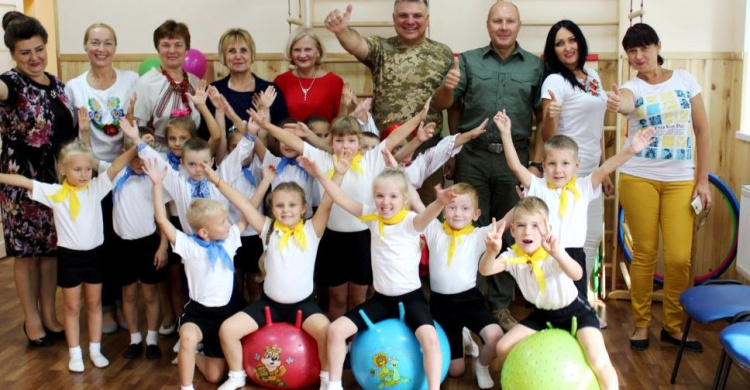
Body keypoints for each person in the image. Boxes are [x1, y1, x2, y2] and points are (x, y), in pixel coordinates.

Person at [253, 101, 430, 319]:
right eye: (339, 140)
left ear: (359, 142)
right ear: (332, 142)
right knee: (337, 300)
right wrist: (267, 126)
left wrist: (420, 116)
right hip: (332, 240)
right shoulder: (322, 158)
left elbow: (393, 138)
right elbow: (293, 141)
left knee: (358, 299)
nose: (345, 145)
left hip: (363, 239)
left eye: (351, 140)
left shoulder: (371, 159)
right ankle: (339, 343)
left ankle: (355, 345)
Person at [433, 0, 544, 330]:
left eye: (510, 21)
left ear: (518, 25)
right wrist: (454, 147)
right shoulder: (467, 60)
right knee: (466, 228)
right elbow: (447, 105)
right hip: (474, 157)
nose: (504, 26)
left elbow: (542, 119)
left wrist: (535, 163)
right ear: (488, 25)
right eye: (498, 21)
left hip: (515, 158)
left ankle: (498, 306)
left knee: (508, 231)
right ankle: (470, 306)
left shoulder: (535, 66)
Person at [301, 156, 456, 390]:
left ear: (404, 199)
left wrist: (439, 204)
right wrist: (320, 174)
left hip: (411, 300)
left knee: (431, 340)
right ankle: (333, 385)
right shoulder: (373, 217)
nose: (385, 202)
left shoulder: (410, 222)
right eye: (380, 196)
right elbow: (341, 198)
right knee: (335, 330)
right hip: (382, 301)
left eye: (393, 196)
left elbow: (426, 217)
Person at [607, 23, 712, 351]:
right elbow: (625, 103)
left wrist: (703, 180)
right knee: (645, 254)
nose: (638, 56)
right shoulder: (632, 87)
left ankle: (674, 326)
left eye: (644, 49)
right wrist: (616, 101)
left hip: (680, 180)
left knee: (680, 257)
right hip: (639, 177)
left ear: (657, 47)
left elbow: (703, 130)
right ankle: (641, 325)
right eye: (632, 52)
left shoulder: (685, 80)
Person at [0, 139, 136, 372]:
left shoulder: (96, 188)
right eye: (77, 169)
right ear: (62, 169)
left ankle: (95, 349)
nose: (84, 174)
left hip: (94, 257)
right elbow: (24, 182)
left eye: (87, 169)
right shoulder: (55, 193)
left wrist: (136, 147)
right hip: (69, 259)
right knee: (72, 308)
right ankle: (75, 353)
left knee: (94, 304)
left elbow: (115, 167)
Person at [209, 154, 344, 390]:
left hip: (303, 305)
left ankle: (328, 381)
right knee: (228, 329)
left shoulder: (312, 230)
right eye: (279, 205)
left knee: (328, 332)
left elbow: (328, 201)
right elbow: (242, 203)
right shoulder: (267, 229)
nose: (286, 210)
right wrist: (215, 179)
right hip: (269, 305)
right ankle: (237, 375)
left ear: (303, 208)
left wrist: (339, 173)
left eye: (292, 205)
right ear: (271, 208)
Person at [495, 109, 653, 295]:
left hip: (573, 255)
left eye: (565, 164)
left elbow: (605, 168)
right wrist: (505, 134)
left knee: (576, 303)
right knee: (547, 304)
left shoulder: (583, 186)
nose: (558, 170)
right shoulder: (537, 185)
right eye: (552, 164)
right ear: (544, 164)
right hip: (544, 253)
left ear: (576, 165)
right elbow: (515, 166)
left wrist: (630, 150)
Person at [479, 197, 618, 390]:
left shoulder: (551, 255)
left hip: (576, 313)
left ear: (547, 229)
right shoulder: (512, 255)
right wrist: (490, 252)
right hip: (543, 315)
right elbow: (486, 270)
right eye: (521, 225)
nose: (527, 231)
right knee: (503, 347)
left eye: (535, 225)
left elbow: (577, 273)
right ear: (512, 231)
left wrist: (558, 253)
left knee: (598, 361)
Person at [324, 0, 453, 203]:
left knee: (426, 209)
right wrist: (342, 31)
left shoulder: (443, 53)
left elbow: (446, 103)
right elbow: (357, 44)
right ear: (394, 19)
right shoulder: (381, 47)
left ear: (427, 19)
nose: (410, 21)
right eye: (403, 15)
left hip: (426, 148)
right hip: (382, 149)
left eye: (417, 16)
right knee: (382, 206)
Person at [0, 11, 74, 346]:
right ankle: (31, 321)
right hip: (21, 180)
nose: (35, 57)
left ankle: (49, 315)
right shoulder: (10, 84)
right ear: (13, 55)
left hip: (55, 178)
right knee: (25, 254)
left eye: (39, 49)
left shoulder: (57, 83)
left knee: (49, 251)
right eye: (25, 52)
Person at [65, 22, 140, 335]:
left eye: (108, 43)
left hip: (126, 173)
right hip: (93, 176)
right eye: (95, 42)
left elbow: (134, 129)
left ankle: (125, 303)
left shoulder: (131, 80)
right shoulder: (74, 87)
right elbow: (75, 140)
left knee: (124, 241)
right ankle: (107, 305)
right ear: (85, 46)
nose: (101, 49)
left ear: (115, 47)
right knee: (101, 241)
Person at [141, 161, 241, 388]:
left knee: (216, 376)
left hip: (224, 315)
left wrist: (261, 181)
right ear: (203, 231)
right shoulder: (188, 245)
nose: (228, 225)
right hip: (197, 312)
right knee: (186, 338)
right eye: (223, 222)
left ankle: (196, 357)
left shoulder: (231, 239)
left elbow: (248, 209)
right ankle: (186, 386)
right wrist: (157, 184)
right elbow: (162, 220)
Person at [540, 21, 612, 322]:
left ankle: (584, 302)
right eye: (559, 43)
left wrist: (605, 170)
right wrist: (552, 117)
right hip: (566, 173)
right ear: (552, 51)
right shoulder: (554, 81)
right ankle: (569, 305)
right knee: (569, 241)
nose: (567, 47)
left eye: (572, 40)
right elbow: (547, 136)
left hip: (592, 169)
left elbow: (597, 130)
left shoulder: (593, 77)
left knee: (592, 237)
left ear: (580, 43)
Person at [422, 183, 503, 389]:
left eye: (465, 209)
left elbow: (506, 221)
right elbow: (415, 203)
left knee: (495, 336)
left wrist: (530, 191)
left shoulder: (477, 236)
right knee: (455, 371)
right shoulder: (434, 230)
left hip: (469, 301)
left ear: (476, 214)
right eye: (452, 207)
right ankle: (464, 337)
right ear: (443, 210)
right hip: (442, 306)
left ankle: (482, 366)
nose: (458, 213)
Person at [95, 128, 166, 360]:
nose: (138, 161)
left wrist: (163, 246)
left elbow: (164, 216)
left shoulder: (155, 178)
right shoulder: (115, 173)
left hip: (148, 244)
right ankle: (135, 338)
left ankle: (152, 339)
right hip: (123, 245)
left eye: (142, 155)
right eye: (133, 155)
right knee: (128, 294)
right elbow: (91, 158)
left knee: (150, 293)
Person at [134, 20, 201, 150]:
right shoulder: (147, 83)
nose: (172, 50)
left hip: (190, 158)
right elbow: (137, 128)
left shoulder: (195, 82)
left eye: (178, 45)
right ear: (158, 49)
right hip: (156, 157)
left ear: (187, 49)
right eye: (165, 45)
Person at [208, 28, 288, 137]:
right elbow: (207, 135)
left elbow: (281, 134)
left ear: (252, 54)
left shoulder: (269, 89)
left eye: (243, 50)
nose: (238, 56)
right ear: (224, 56)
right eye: (232, 51)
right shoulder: (215, 90)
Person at [274, 27, 343, 123]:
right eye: (297, 50)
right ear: (290, 53)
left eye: (308, 49)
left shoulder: (334, 81)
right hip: (289, 137)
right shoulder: (281, 81)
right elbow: (276, 119)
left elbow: (338, 120)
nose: (302, 55)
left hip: (322, 138)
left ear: (318, 52)